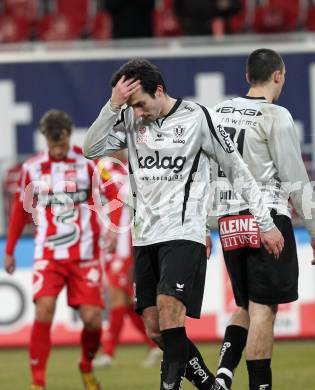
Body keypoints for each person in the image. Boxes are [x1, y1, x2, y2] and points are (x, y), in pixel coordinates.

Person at [83, 58, 284, 390]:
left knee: (168, 310)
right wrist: (113, 105)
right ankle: (210, 386)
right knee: (154, 328)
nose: (138, 112)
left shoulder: (196, 118)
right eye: (131, 105)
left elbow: (236, 168)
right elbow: (91, 149)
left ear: (159, 90)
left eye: (141, 103)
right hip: (144, 236)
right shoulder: (130, 119)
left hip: (184, 231)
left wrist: (265, 221)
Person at [211, 48, 315, 390]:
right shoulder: (275, 115)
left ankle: (222, 376)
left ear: (248, 77)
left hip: (229, 221)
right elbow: (295, 179)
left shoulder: (218, 112)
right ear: (278, 76)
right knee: (264, 310)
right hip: (267, 220)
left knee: (246, 304)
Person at [3, 110, 121, 390]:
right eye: (53, 145)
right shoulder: (31, 168)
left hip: (85, 255)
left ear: (69, 136)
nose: (58, 150)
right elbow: (20, 211)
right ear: (45, 139)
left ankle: (86, 366)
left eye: (63, 143)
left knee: (93, 320)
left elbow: (115, 193)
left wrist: (113, 228)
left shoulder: (89, 162)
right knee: (44, 310)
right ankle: (38, 383)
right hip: (48, 255)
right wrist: (9, 249)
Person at [93, 152, 162, 369]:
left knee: (116, 298)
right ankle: (155, 345)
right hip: (107, 243)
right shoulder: (101, 166)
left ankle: (108, 353)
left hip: (125, 244)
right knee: (125, 302)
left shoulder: (134, 167)